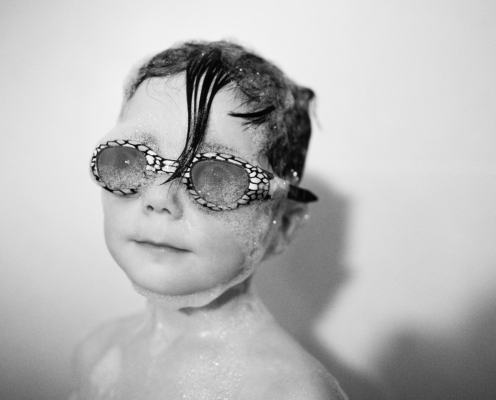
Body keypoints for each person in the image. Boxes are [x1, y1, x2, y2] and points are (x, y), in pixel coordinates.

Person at [73, 40, 347, 400]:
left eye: (217, 177)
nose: (159, 199)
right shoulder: (97, 354)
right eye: (128, 161)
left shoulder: (294, 393)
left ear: (284, 224)